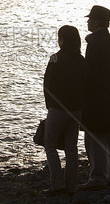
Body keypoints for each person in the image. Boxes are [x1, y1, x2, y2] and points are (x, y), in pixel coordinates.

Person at [79, 5, 110, 190]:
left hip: (96, 99)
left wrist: (82, 95)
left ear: (96, 22)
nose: (87, 21)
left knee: (93, 137)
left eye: (90, 19)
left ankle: (97, 178)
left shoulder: (94, 43)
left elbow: (90, 74)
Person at [43, 25, 88, 196]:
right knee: (71, 148)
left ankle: (57, 184)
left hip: (58, 108)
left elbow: (48, 84)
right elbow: (86, 85)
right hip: (76, 109)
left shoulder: (55, 58)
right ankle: (71, 187)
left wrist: (50, 106)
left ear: (62, 40)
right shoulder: (81, 60)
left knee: (50, 145)